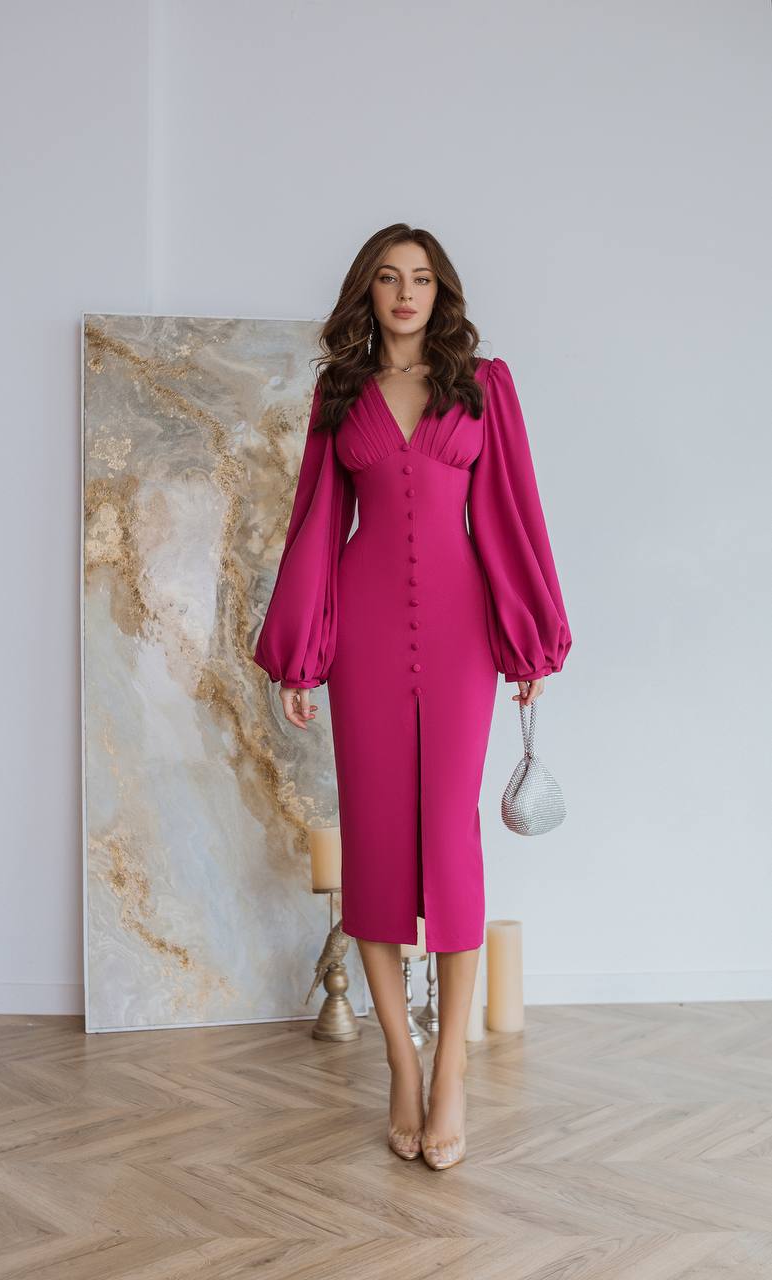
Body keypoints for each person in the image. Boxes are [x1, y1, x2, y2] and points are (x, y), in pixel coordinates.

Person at [253, 223, 572, 1170]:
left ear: (441, 292)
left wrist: (528, 636)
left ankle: (451, 1076)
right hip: (362, 633)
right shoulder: (338, 393)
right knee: (380, 848)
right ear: (369, 291)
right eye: (389, 278)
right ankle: (400, 1062)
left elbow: (512, 511)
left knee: (453, 844)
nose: (404, 293)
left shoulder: (484, 386)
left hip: (463, 629)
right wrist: (300, 655)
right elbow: (315, 520)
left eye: (421, 278)